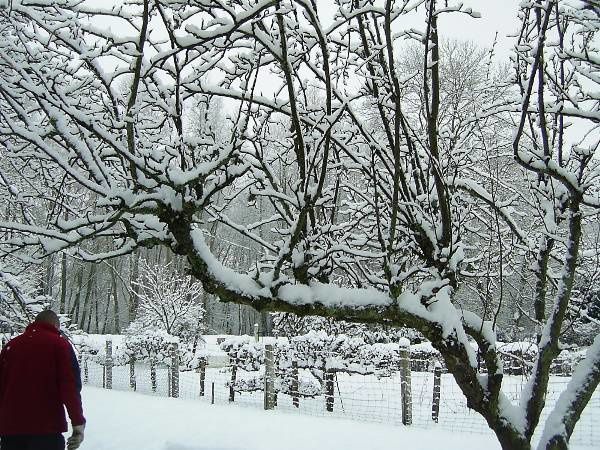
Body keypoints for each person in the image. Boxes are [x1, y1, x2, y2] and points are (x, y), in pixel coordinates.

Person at [0, 310, 86, 450]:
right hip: (47, 430)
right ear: (56, 326)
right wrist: (78, 424)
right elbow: (70, 387)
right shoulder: (60, 346)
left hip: (10, 431)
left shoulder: (12, 346)